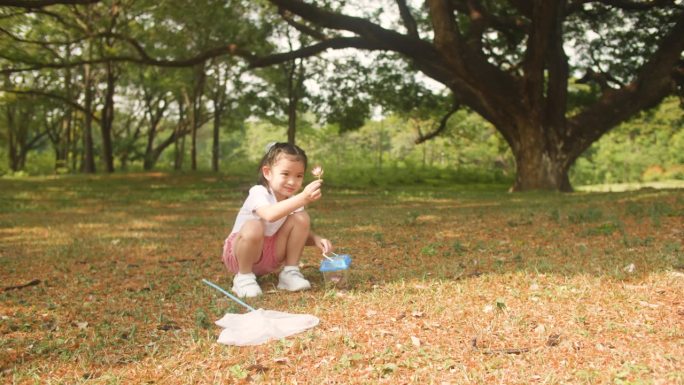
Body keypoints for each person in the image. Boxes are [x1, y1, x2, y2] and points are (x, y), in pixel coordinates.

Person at [222, 142, 333, 297]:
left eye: (299, 176)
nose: (292, 181)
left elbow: (299, 232)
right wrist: (303, 198)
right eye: (285, 174)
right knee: (254, 226)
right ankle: (244, 278)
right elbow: (269, 215)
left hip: (271, 256)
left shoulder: (292, 200)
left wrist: (316, 239)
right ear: (267, 173)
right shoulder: (259, 192)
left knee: (301, 218)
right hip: (240, 255)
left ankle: (290, 272)